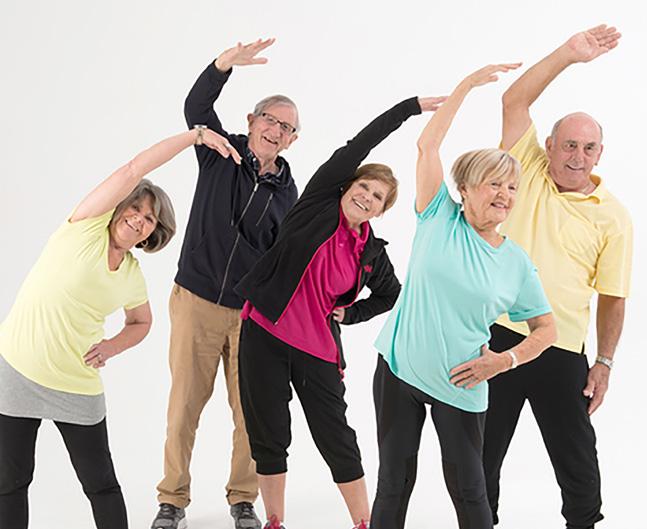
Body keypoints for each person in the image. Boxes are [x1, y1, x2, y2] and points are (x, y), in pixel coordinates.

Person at [234, 92, 446, 529]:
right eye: (363, 187)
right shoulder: (315, 204)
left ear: (382, 211)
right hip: (265, 334)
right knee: (269, 434)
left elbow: (392, 295)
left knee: (337, 439)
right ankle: (274, 521)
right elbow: (359, 145)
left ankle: (364, 523)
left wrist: (350, 315)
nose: (367, 197)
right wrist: (408, 108)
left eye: (377, 197)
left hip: (318, 350)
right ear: (347, 187)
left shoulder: (370, 253)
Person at [0, 125, 229, 529]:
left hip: (76, 385)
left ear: (153, 233)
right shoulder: (84, 226)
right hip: (18, 372)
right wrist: (193, 137)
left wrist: (111, 346)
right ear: (120, 207)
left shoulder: (131, 274)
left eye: (149, 219)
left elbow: (142, 321)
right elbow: (133, 169)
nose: (139, 219)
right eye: (135, 208)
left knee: (101, 484)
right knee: (11, 482)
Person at [371, 64, 557, 529]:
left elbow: (546, 329)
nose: (505, 194)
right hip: (399, 371)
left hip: (462, 382)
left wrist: (505, 361)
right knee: (393, 483)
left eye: (512, 187)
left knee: (471, 490)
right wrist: (466, 87)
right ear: (466, 189)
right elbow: (427, 145)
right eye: (494, 183)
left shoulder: (515, 262)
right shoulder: (438, 215)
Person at [483, 25, 632, 529]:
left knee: (578, 463)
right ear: (548, 145)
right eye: (568, 145)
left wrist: (604, 362)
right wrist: (568, 55)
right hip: (498, 336)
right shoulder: (523, 168)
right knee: (480, 456)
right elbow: (513, 100)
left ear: (600, 153)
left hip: (561, 348)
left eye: (588, 148)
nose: (577, 157)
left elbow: (613, 297)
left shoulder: (614, 217)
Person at [152, 38, 300, 529]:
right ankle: (172, 500)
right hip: (195, 300)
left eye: (286, 128)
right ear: (252, 121)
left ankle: (243, 499)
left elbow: (284, 260)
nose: (276, 131)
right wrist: (222, 65)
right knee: (183, 409)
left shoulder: (288, 193)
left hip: (248, 317)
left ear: (291, 141)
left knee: (249, 415)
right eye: (270, 120)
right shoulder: (221, 152)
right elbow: (196, 108)